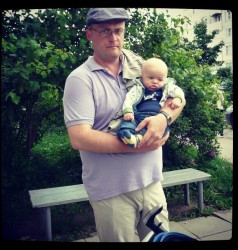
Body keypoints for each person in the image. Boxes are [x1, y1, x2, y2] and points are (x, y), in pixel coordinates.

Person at [63, 8, 186, 242]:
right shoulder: (80, 79)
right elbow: (79, 137)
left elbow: (175, 96)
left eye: (118, 30)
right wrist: (140, 145)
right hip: (111, 192)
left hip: (151, 183)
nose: (114, 38)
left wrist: (163, 119)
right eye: (105, 31)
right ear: (90, 34)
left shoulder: (139, 65)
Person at [116, 57, 185, 148]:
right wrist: (128, 111)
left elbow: (176, 90)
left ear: (165, 80)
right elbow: (129, 99)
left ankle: (138, 139)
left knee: (160, 130)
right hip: (137, 115)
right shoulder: (137, 88)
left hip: (155, 117)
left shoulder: (166, 88)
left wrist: (178, 98)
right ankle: (126, 135)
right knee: (127, 123)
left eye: (160, 80)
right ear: (142, 77)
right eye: (151, 78)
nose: (155, 81)